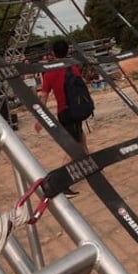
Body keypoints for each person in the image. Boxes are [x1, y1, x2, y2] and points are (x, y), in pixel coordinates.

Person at [34, 38, 89, 196]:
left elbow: (43, 96)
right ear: (67, 51)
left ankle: (89, 165)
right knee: (73, 147)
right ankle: (60, 183)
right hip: (76, 110)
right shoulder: (72, 67)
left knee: (81, 138)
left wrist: (39, 118)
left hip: (64, 112)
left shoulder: (49, 72)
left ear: (53, 53)